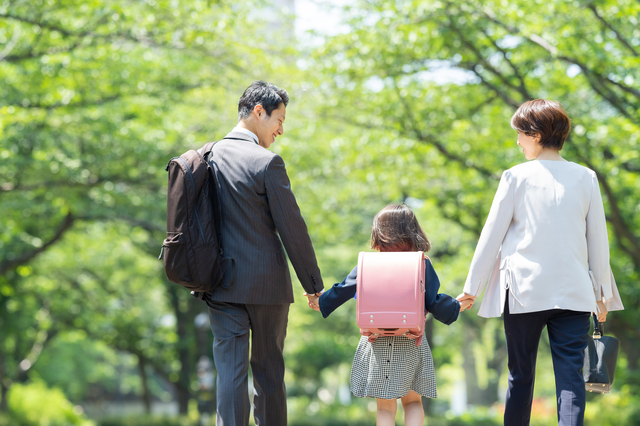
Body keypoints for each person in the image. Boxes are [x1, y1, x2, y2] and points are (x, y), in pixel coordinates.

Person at [456, 99, 624, 426]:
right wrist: (601, 295)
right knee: (571, 378)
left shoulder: (515, 177)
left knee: (520, 376)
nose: (517, 141)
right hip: (574, 294)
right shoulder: (585, 177)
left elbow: (490, 237)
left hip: (522, 293)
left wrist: (471, 289)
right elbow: (598, 243)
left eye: (519, 133)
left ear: (534, 134)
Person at [204, 81, 325, 426]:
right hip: (266, 286)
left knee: (230, 372)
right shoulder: (267, 162)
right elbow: (292, 228)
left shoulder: (206, 157)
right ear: (259, 112)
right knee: (269, 372)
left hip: (220, 284)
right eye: (279, 119)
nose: (281, 130)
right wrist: (313, 284)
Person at [307, 204, 465, 426]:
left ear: (378, 232)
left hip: (376, 340)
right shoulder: (420, 263)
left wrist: (321, 301)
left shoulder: (368, 263)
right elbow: (433, 300)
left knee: (385, 406)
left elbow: (343, 288)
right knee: (412, 402)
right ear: (413, 230)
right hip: (411, 339)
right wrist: (456, 306)